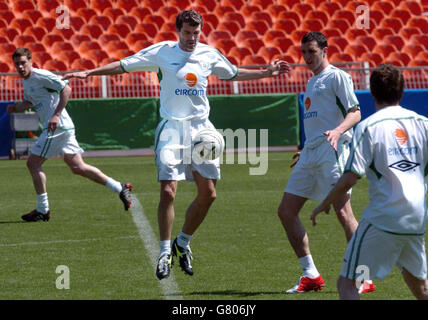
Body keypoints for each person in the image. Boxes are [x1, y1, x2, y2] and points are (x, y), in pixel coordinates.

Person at [64, 9, 290, 280]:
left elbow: (233, 73)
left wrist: (267, 72)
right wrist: (89, 72)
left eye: (196, 33)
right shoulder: (162, 52)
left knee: (209, 195)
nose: (192, 38)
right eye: (187, 33)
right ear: (177, 31)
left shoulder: (208, 54)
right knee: (168, 192)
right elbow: (123, 65)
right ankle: (163, 251)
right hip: (172, 129)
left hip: (202, 130)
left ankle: (182, 243)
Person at [311, 64, 428, 300]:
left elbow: (349, 178)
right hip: (415, 218)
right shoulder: (423, 124)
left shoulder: (368, 127)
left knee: (347, 284)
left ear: (371, 92)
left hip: (383, 218)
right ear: (402, 90)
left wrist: (324, 203)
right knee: (419, 284)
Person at [276, 31, 368, 293]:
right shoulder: (310, 82)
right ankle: (311, 274)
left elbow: (356, 112)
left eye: (311, 52)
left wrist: (338, 132)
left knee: (343, 212)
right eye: (304, 52)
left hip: (334, 150)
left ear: (325, 50)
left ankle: (363, 275)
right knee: (286, 211)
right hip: (312, 153)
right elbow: (318, 121)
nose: (306, 57)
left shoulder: (337, 77)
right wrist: (305, 148)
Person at [7, 48, 133, 222]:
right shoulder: (27, 82)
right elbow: (31, 101)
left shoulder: (41, 75)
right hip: (62, 128)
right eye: (17, 64)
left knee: (33, 163)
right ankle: (119, 187)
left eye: (23, 63)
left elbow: (66, 89)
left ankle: (43, 209)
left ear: (30, 61)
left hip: (57, 128)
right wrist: (16, 108)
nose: (20, 67)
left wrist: (56, 115)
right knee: (78, 168)